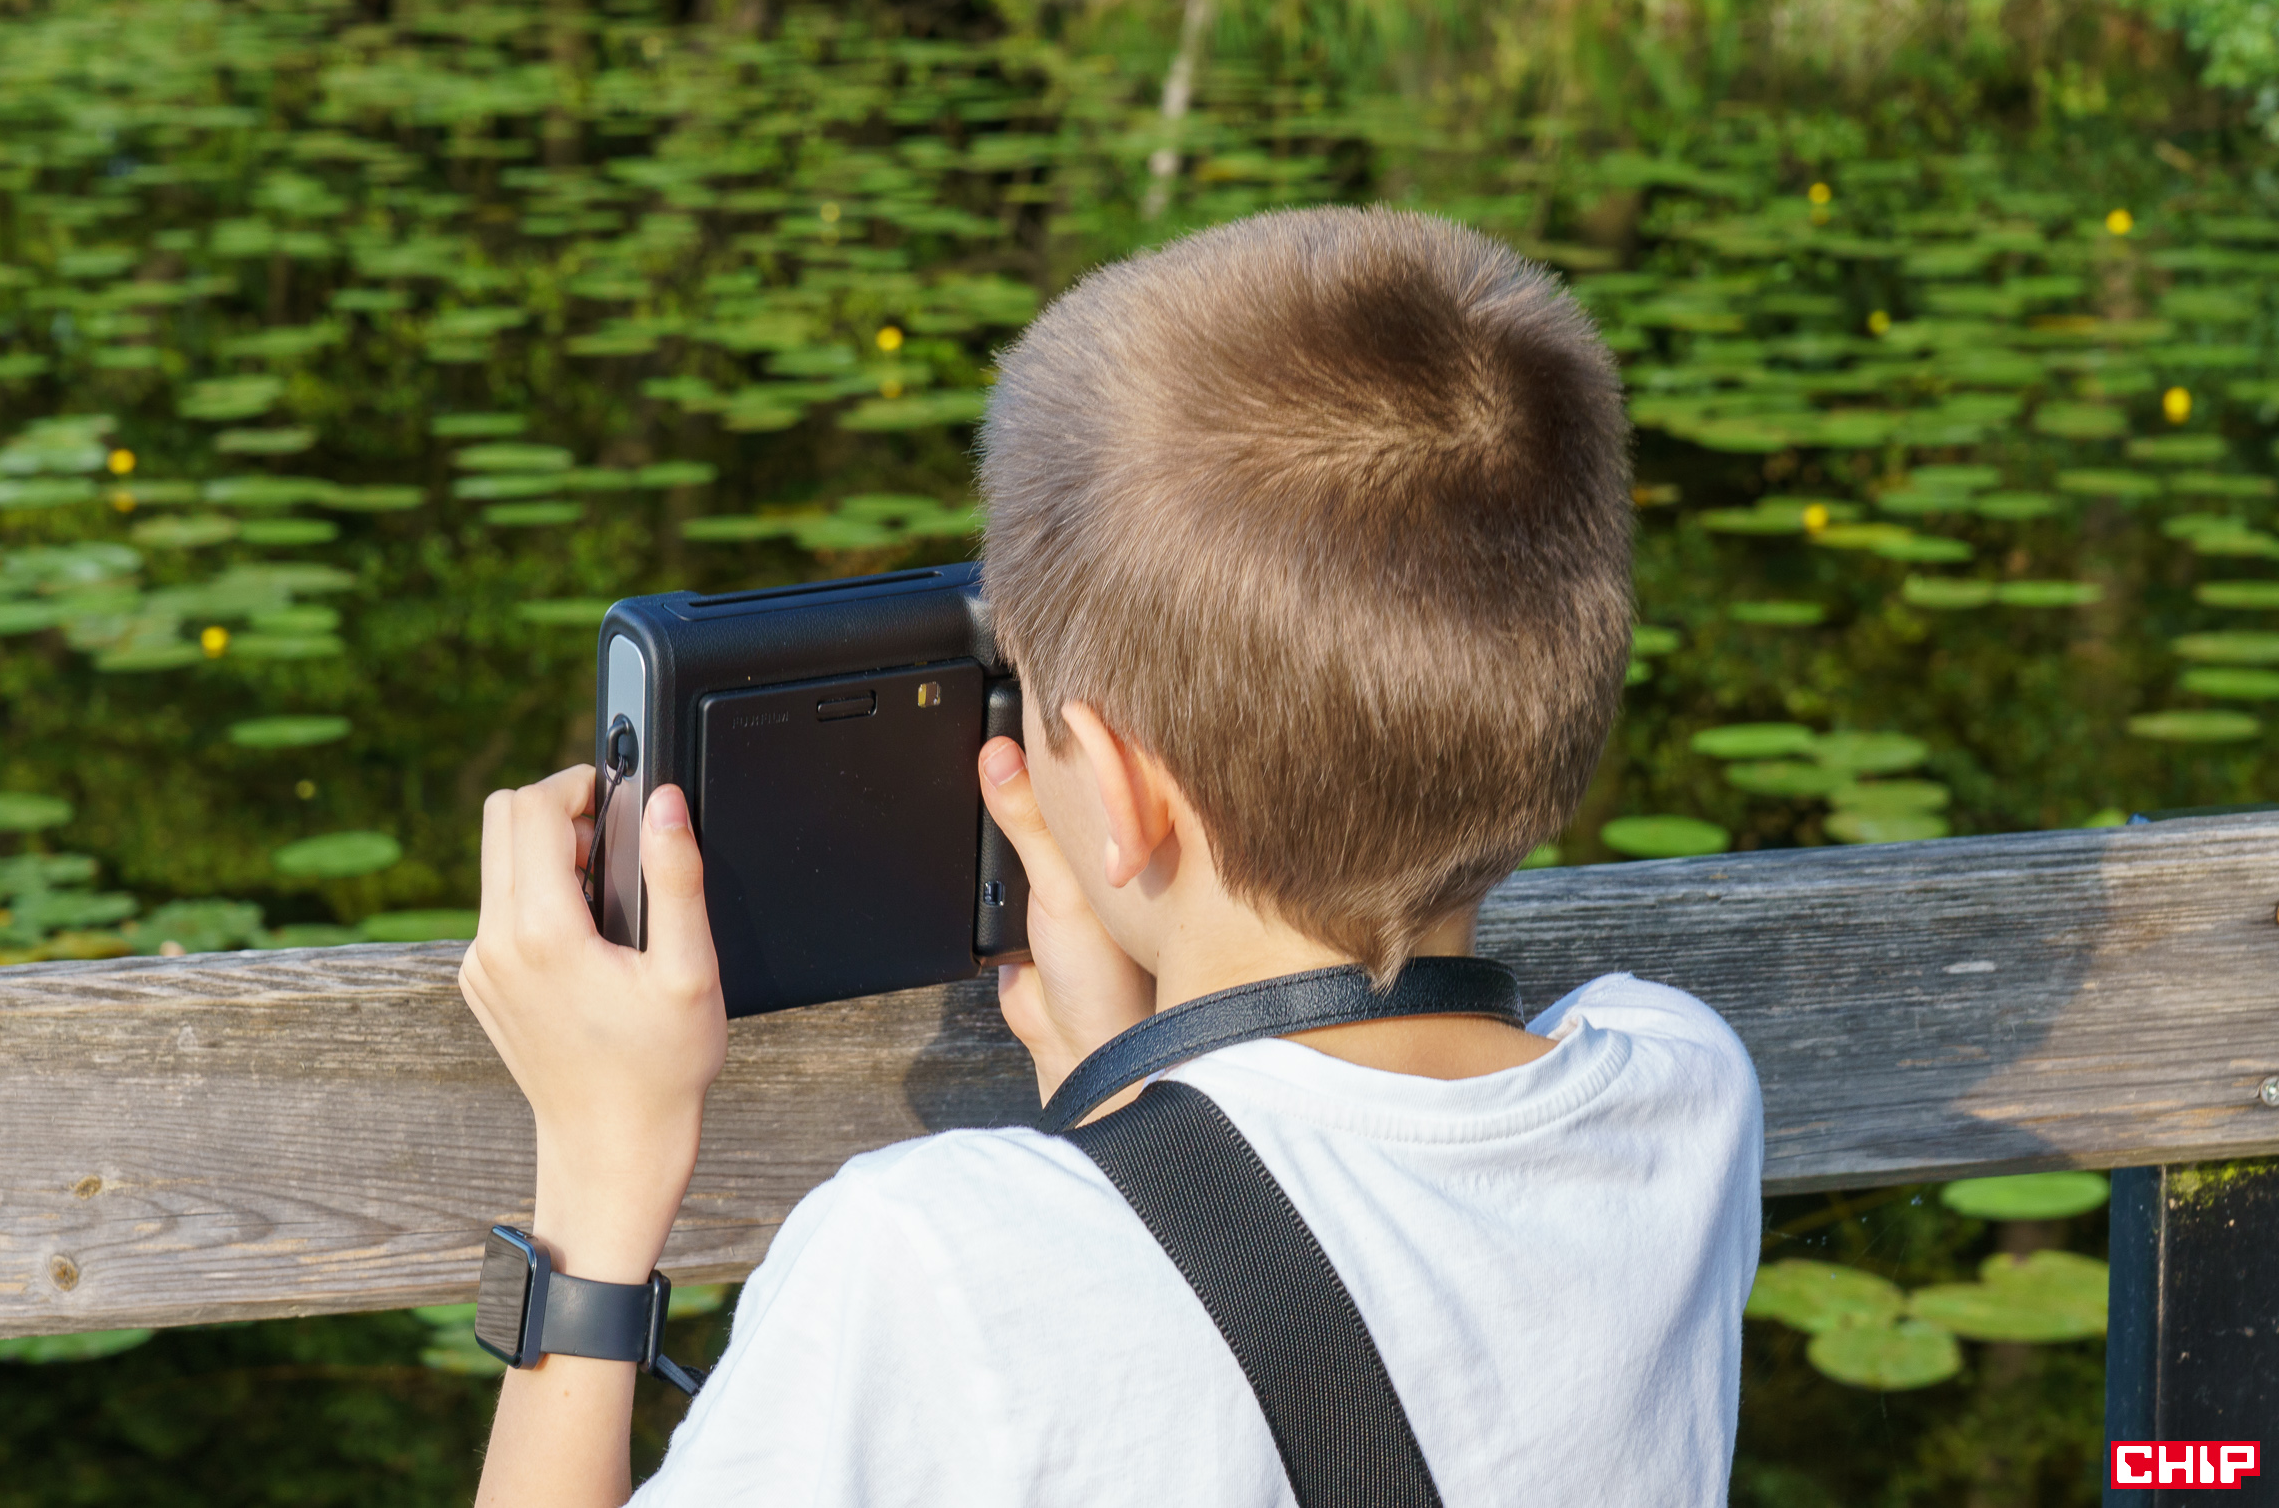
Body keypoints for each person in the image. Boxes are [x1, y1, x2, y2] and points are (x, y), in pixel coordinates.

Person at [459, 206, 1764, 1507]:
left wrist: (599, 1171)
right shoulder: (1684, 1096)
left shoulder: (925, 1262)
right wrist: (1131, 1109)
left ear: (1123, 792)